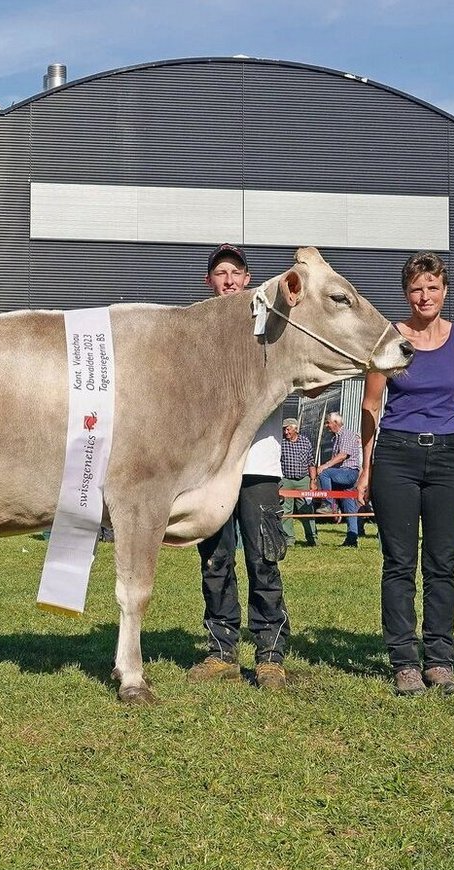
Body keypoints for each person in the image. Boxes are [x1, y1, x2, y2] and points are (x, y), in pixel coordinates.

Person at [357, 252, 454, 695]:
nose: (424, 296)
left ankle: (440, 660)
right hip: (397, 456)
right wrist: (366, 467)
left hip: (447, 457)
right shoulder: (391, 339)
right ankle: (405, 661)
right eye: (416, 289)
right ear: (406, 294)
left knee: (443, 562)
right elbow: (371, 407)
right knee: (399, 563)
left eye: (432, 287)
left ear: (444, 290)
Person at [187, 244, 290, 689]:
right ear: (209, 281)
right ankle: (221, 649)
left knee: (265, 557)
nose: (227, 280)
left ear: (248, 280)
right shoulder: (197, 332)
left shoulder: (270, 328)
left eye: (235, 272)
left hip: (260, 461)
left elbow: (294, 379)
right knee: (216, 556)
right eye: (220, 273)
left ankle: (270, 653)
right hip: (211, 466)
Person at [312, 412, 363, 546]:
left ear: (336, 423)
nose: (326, 426)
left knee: (325, 473)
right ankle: (352, 539)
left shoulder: (346, 434)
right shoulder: (335, 438)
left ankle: (328, 504)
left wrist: (325, 466)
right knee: (350, 508)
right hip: (343, 473)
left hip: (348, 473)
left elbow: (342, 455)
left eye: (328, 422)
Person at [280, 417, 317, 547]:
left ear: (296, 428)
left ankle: (312, 538)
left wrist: (313, 481)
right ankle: (289, 539)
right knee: (285, 511)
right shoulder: (281, 443)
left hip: (303, 480)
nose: (286, 432)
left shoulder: (305, 442)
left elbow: (311, 462)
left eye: (288, 429)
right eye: (284, 429)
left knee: (306, 509)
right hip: (286, 480)